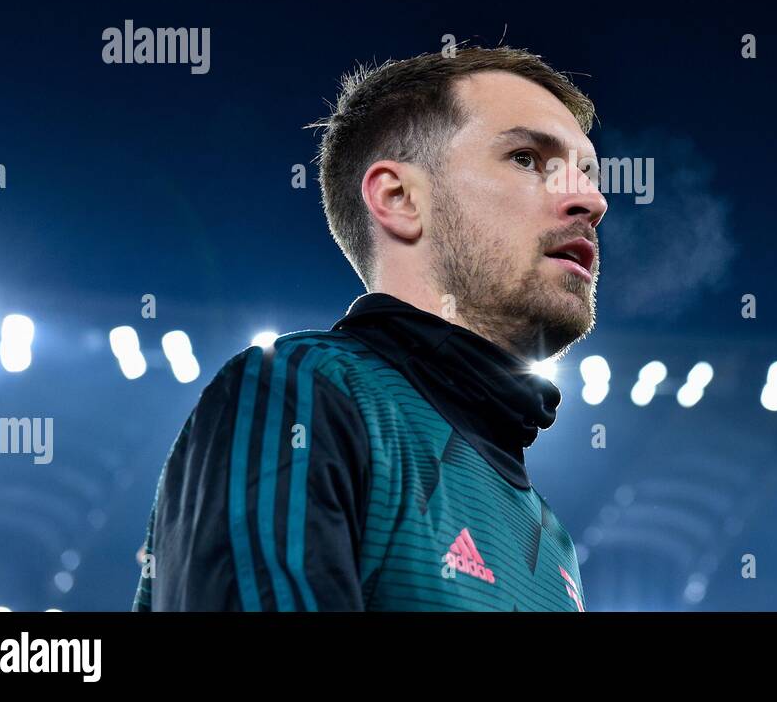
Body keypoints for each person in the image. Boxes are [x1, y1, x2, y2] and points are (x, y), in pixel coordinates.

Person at [133, 45, 606, 611]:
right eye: (528, 158)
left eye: (585, 173)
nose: (591, 200)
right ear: (399, 199)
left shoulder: (551, 537)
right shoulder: (302, 392)